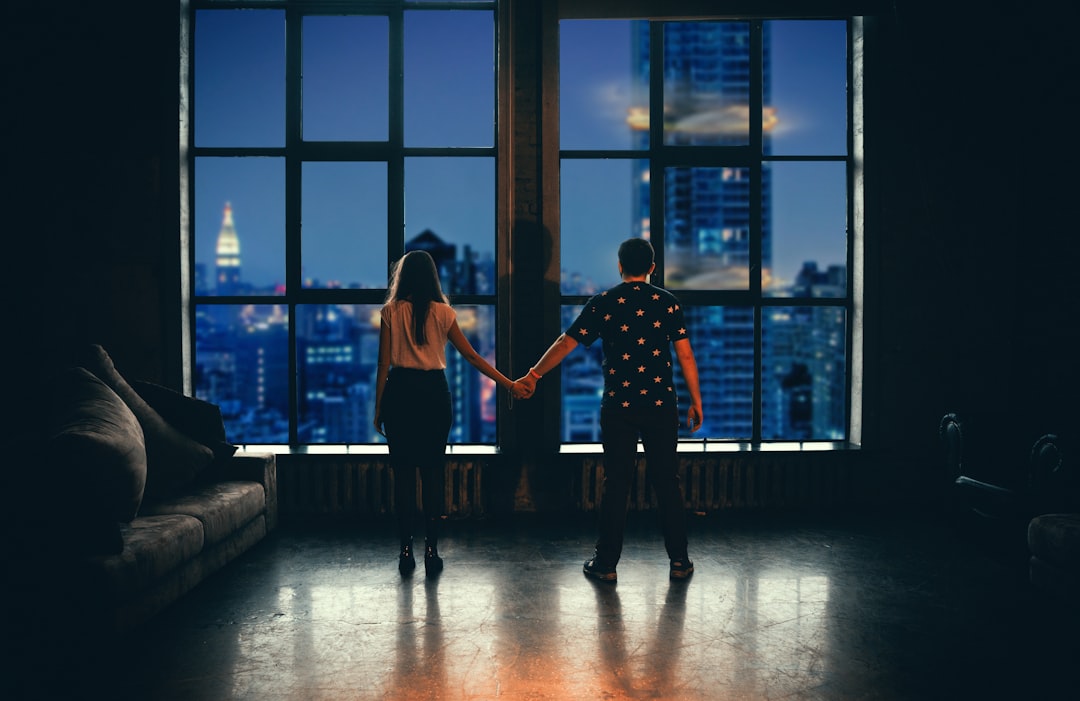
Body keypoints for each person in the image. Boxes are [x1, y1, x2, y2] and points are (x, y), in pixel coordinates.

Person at [516, 238, 703, 583]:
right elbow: (685, 355)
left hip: (619, 406)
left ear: (619, 266)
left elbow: (566, 342)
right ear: (652, 267)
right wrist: (696, 400)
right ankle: (680, 561)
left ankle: (606, 564)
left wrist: (533, 374)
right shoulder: (667, 303)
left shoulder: (604, 303)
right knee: (667, 482)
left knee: (616, 483)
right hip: (662, 406)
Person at [375, 250, 524, 577]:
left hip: (400, 393)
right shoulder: (444, 312)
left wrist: (378, 409)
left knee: (402, 476)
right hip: (433, 394)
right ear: (432, 277)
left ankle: (404, 551)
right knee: (432, 473)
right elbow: (471, 356)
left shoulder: (389, 311)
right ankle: (431, 550)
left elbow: (383, 364)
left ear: (402, 277)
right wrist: (508, 383)